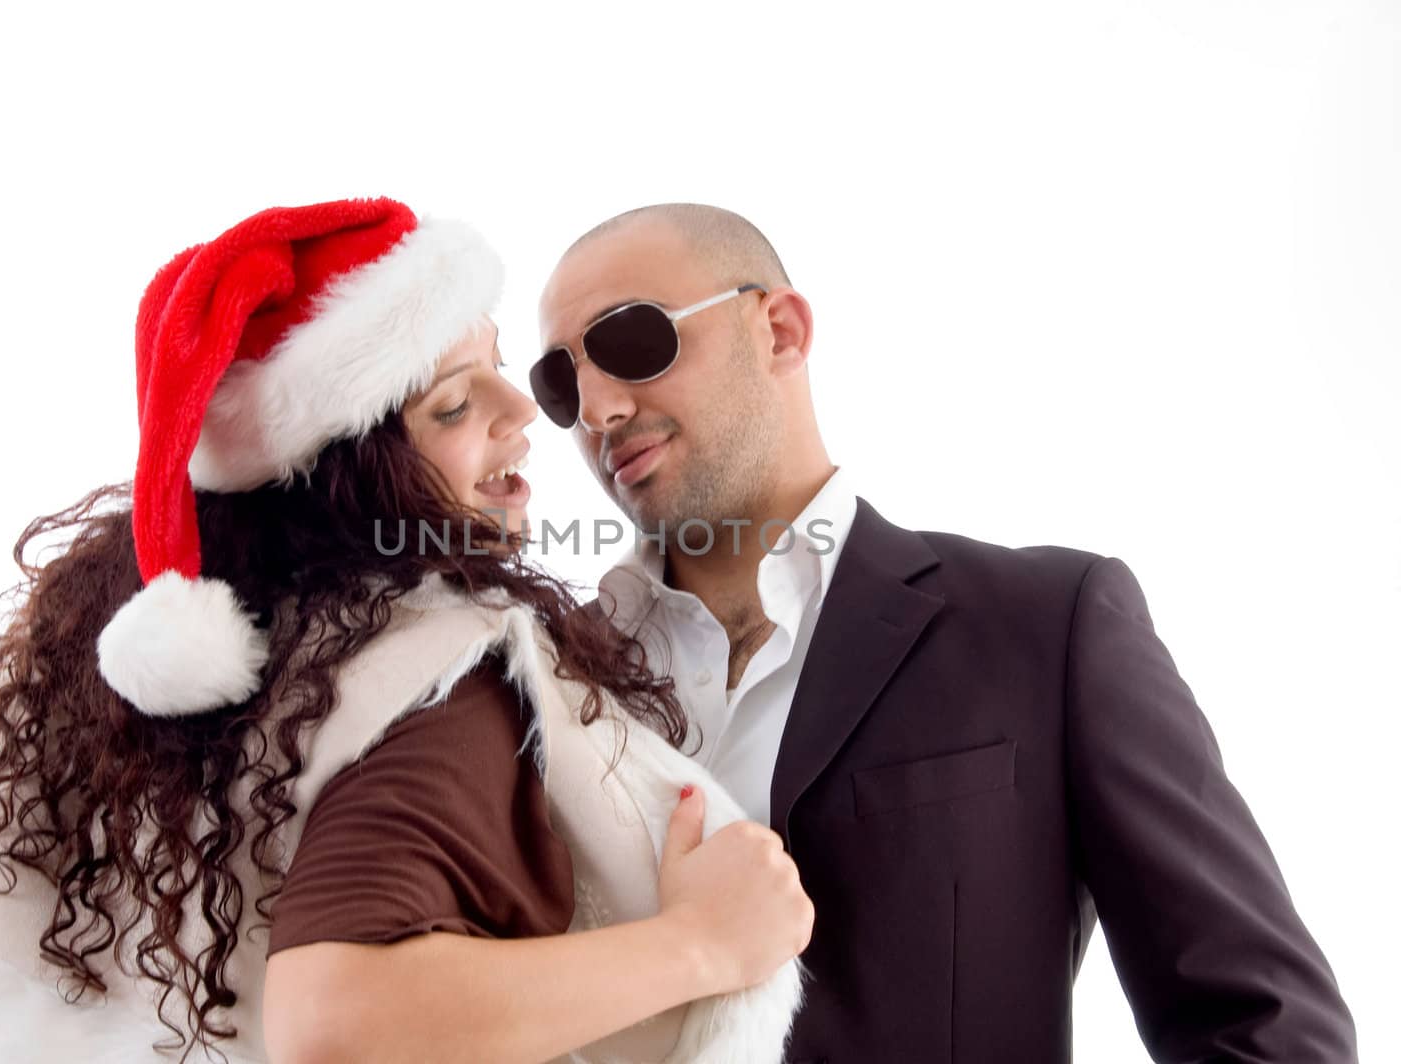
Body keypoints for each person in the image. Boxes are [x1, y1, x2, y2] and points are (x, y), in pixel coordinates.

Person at [0, 198, 811, 1064]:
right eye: (455, 400)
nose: (533, 412)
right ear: (353, 471)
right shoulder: (437, 659)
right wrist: (704, 943)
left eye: (503, 372)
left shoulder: (86, 647)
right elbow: (335, 1020)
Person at [531, 203, 1359, 1063]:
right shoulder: (543, 685)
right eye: (560, 384)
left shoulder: (1047, 625)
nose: (597, 409)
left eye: (633, 341)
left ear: (779, 330)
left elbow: (1270, 1029)